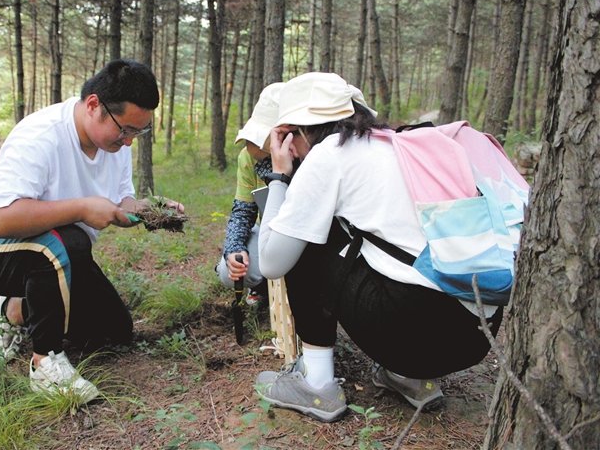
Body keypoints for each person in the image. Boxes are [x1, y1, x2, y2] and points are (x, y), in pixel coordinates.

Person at [254, 72, 504, 422]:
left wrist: (279, 177)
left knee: (307, 236)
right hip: (477, 336)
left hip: (413, 336)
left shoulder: (330, 154)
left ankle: (318, 383)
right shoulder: (396, 143)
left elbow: (271, 263)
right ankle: (411, 380)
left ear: (298, 129)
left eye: (284, 135)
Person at [0, 59, 185, 404]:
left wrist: (149, 210)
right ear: (94, 105)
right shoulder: (42, 135)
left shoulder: (114, 146)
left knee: (114, 332)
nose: (128, 142)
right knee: (69, 241)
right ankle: (45, 363)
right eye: (125, 130)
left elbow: (121, 200)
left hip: (61, 255)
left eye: (138, 133)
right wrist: (81, 208)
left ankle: (9, 310)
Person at [216, 82, 284, 304]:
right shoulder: (246, 157)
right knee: (229, 273)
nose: (253, 155)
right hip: (270, 232)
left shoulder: (312, 156)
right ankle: (262, 286)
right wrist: (234, 249)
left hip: (307, 239)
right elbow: (242, 212)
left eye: (263, 156)